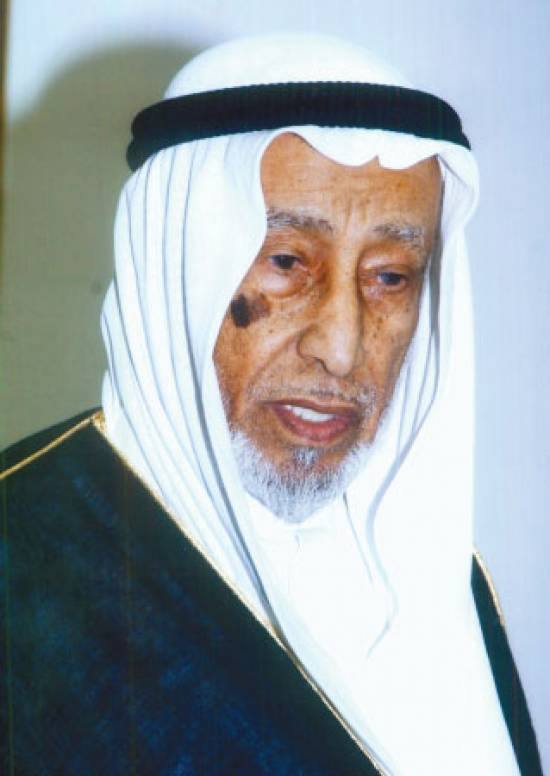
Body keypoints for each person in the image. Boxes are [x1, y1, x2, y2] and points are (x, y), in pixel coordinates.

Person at [0, 34, 542, 775]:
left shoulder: (436, 581)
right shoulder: (24, 557)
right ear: (177, 265)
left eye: (390, 277)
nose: (341, 349)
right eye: (286, 262)